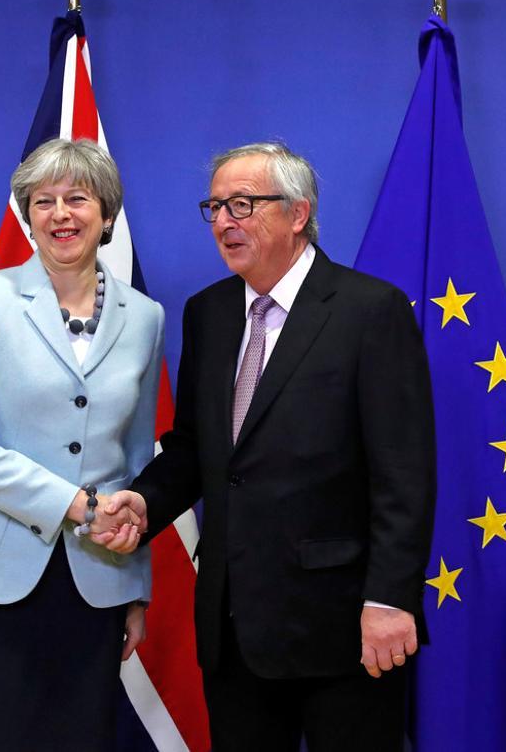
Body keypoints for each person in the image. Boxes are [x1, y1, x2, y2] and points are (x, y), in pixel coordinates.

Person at [96, 142, 435, 751]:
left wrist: (389, 599)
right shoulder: (208, 312)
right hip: (234, 626)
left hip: (346, 628)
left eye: (244, 204)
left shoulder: (370, 311)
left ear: (298, 213)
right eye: (216, 206)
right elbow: (199, 450)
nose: (225, 221)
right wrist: (145, 503)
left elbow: (403, 474)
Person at [0, 137, 157, 751]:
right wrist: (79, 506)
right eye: (42, 202)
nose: (60, 214)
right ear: (27, 217)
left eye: (77, 198)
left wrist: (135, 587)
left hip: (97, 581)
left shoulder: (146, 317)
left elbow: (134, 463)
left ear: (106, 214)